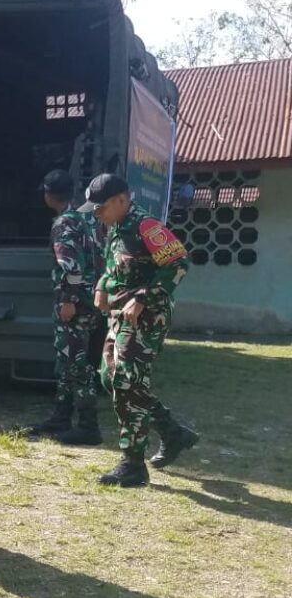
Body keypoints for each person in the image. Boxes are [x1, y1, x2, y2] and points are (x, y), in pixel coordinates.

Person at [83, 174, 199, 487]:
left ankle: (133, 463)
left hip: (147, 317)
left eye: (101, 207)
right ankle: (172, 431)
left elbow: (179, 264)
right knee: (110, 376)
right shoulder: (116, 226)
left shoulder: (146, 226)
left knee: (125, 380)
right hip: (120, 316)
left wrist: (144, 297)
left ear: (122, 199)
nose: (96, 214)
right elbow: (114, 266)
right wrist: (102, 287)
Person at [29, 170, 105, 445]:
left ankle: (88, 426)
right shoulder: (88, 219)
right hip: (91, 302)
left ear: (49, 195)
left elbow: (70, 266)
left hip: (76, 305)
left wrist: (68, 300)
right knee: (68, 361)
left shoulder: (63, 224)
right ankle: (61, 417)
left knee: (77, 364)